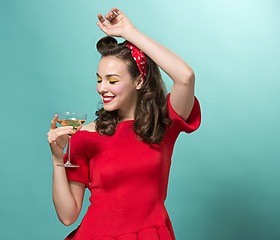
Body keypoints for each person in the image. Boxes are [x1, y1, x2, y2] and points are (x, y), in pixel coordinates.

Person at [47, 8, 201, 240]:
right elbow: (68, 216)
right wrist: (58, 159)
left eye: (113, 80)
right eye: (99, 79)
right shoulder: (85, 136)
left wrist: (129, 32)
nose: (102, 88)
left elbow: (185, 77)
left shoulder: (163, 125)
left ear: (139, 81)